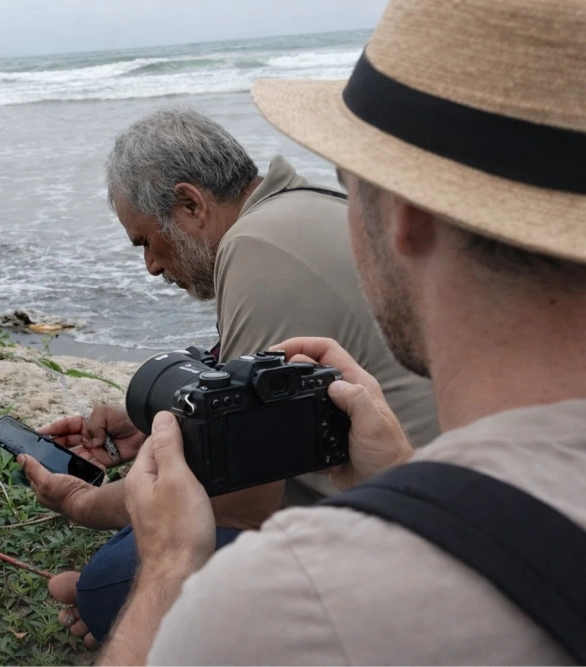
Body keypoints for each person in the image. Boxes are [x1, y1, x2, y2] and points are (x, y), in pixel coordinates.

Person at [97, 0, 586, 663]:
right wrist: (404, 478)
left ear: (406, 216)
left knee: (110, 583)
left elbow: (243, 502)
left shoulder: (290, 601)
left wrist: (164, 569)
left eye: (349, 181)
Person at [17, 109, 438, 646]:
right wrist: (156, 422)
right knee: (134, 554)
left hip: (389, 528)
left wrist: (81, 502)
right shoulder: (302, 206)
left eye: (146, 241)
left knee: (111, 582)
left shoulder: (256, 248)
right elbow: (257, 394)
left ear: (191, 204)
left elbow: (240, 500)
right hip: (416, 487)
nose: (150, 266)